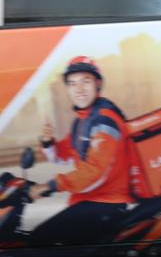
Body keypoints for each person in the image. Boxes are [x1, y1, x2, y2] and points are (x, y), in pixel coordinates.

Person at [28, 57, 138, 246]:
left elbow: (96, 172)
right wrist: (48, 143)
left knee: (40, 241)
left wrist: (50, 186)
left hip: (106, 202)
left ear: (98, 83)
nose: (79, 89)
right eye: (72, 83)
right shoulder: (82, 120)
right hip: (88, 201)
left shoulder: (105, 121)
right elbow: (64, 155)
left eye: (85, 81)